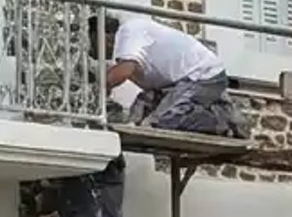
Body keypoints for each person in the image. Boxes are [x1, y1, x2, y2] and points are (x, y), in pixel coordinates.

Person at [96, 13, 249, 137]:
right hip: (178, 82)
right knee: (141, 112)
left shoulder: (127, 32)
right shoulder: (131, 44)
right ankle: (208, 113)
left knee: (162, 120)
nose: (92, 51)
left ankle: (223, 122)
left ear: (105, 35)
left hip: (203, 75)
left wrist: (97, 89)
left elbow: (123, 71)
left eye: (93, 41)